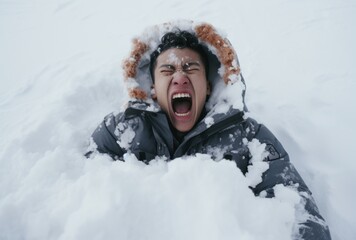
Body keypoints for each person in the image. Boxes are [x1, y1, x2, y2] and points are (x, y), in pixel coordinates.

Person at [86, 20, 331, 239]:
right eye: (167, 70)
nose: (180, 77)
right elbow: (85, 189)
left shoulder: (247, 136)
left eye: (191, 68)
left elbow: (297, 207)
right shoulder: (120, 128)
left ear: (208, 86)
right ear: (152, 88)